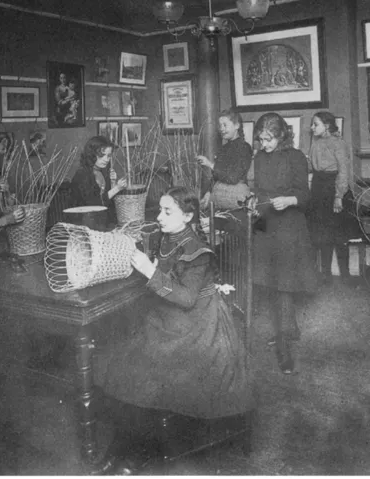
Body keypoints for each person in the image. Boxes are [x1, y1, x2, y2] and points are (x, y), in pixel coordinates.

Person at [95, 186, 254, 473]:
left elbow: (187, 298)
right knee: (125, 360)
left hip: (200, 327)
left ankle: (136, 452)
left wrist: (150, 270)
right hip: (170, 321)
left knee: (144, 369)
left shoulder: (198, 252)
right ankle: (120, 448)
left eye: (167, 211)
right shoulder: (167, 239)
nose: (159, 216)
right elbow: (167, 277)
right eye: (160, 209)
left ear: (188, 216)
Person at [251, 112, 317, 374]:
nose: (264, 144)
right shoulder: (259, 158)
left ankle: (284, 341)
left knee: (284, 281)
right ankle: (288, 330)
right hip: (266, 223)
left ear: (281, 136)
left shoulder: (296, 157)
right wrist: (254, 203)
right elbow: (259, 190)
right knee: (269, 279)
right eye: (261, 139)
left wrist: (289, 200)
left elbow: (305, 195)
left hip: (289, 224)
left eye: (269, 139)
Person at [307, 112, 357, 281]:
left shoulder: (339, 143)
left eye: (315, 124)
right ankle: (326, 275)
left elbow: (343, 171)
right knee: (322, 235)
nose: (312, 127)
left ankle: (345, 275)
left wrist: (339, 196)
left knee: (339, 235)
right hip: (318, 190)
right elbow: (312, 167)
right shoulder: (315, 143)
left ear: (327, 126)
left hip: (333, 190)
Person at [196, 108, 254, 211]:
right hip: (219, 201)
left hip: (236, 201)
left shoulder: (244, 148)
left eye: (225, 125)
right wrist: (208, 194)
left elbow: (233, 177)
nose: (221, 129)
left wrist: (210, 164)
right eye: (220, 125)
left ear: (237, 125)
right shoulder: (223, 148)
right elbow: (216, 177)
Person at [69, 136, 128, 224]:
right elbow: (94, 205)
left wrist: (113, 183)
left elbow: (108, 203)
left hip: (101, 220)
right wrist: (117, 188)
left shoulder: (102, 171)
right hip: (83, 223)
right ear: (91, 154)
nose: (106, 159)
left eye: (108, 156)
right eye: (101, 155)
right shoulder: (82, 175)